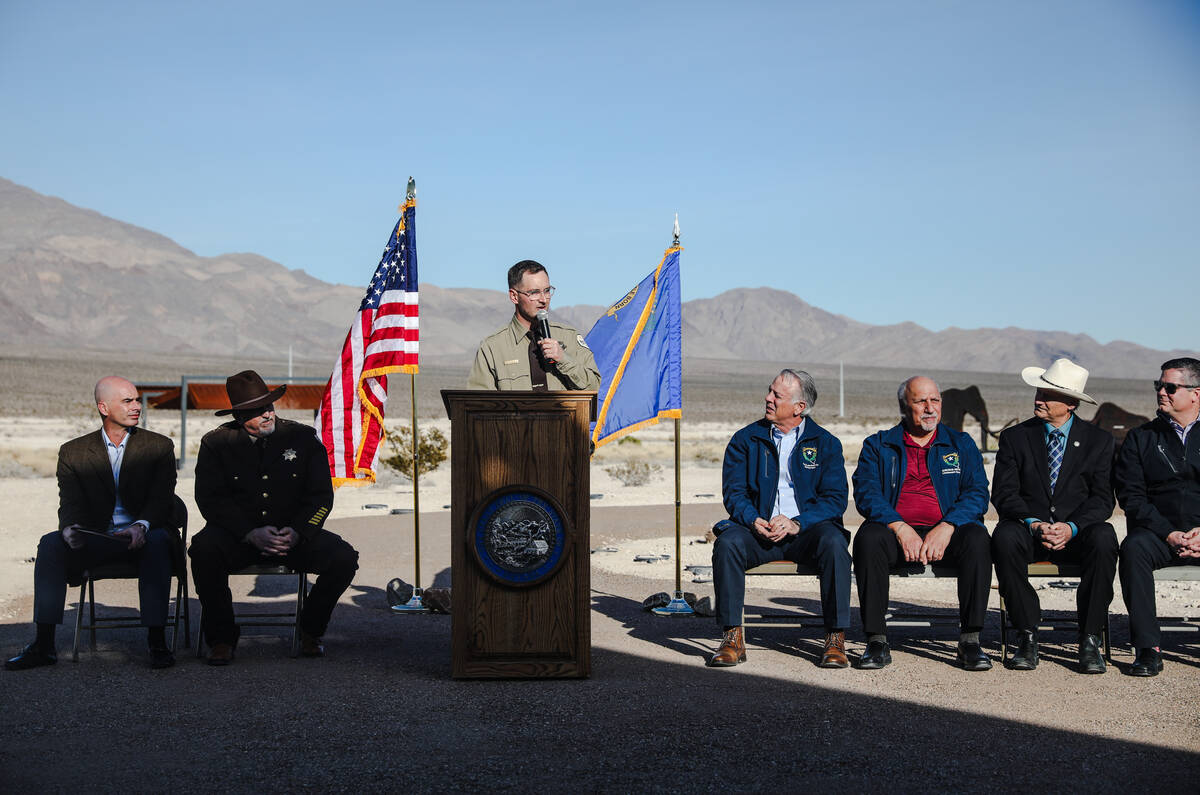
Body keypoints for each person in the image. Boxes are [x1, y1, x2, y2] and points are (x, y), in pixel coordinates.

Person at [6, 377, 178, 670]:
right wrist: (70, 527)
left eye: (137, 400)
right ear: (104, 407)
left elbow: (162, 500)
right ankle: (43, 645)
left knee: (160, 541)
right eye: (128, 401)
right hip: (97, 538)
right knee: (50, 543)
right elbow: (69, 501)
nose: (137, 406)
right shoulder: (73, 451)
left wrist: (141, 525)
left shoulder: (159, 446)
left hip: (143, 537)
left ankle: (157, 641)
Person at [189, 370, 359, 665]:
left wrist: (298, 532)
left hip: (292, 538)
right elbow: (210, 499)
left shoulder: (302, 438)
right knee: (203, 550)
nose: (266, 415)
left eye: (268, 406)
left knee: (343, 558)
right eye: (256, 411)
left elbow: (320, 496)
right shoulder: (217, 444)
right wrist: (248, 532)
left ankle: (310, 629)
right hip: (239, 538)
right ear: (240, 417)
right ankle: (221, 639)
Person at [708, 370, 851, 669]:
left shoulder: (826, 444)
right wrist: (752, 519)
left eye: (777, 395)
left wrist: (799, 522)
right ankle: (732, 636)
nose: (768, 398)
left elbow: (835, 499)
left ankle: (835, 639)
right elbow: (734, 493)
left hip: (806, 533)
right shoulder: (745, 440)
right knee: (728, 543)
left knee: (835, 542)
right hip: (759, 532)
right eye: (770, 391)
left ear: (799, 407)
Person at [852, 376, 993, 671]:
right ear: (905, 406)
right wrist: (900, 527)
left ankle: (970, 641)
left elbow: (978, 493)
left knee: (978, 539)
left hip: (947, 533)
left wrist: (948, 526)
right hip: (896, 534)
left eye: (935, 400)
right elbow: (867, 493)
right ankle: (876, 640)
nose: (930, 408)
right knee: (868, 538)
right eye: (920, 401)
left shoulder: (960, 444)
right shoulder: (879, 445)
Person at [990, 358, 1117, 673]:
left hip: (1076, 533)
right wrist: (1033, 523)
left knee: (1105, 538)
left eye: (1048, 395)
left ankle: (1089, 639)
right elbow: (1003, 493)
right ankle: (1026, 633)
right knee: (1003, 538)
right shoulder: (1015, 438)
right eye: (1039, 392)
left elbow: (1103, 499)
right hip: (1028, 529)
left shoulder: (1099, 442)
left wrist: (1072, 527)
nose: (1039, 399)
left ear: (1071, 404)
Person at [1116, 356, 1200, 677]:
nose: (1161, 392)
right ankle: (1148, 648)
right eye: (1159, 386)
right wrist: (1169, 534)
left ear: (1195, 394)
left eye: (1170, 387)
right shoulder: (1142, 438)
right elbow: (1131, 497)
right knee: (1133, 549)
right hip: (1160, 536)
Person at [467, 259, 601, 391]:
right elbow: (477, 404)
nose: (543, 300)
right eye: (534, 293)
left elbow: (595, 387)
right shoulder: (492, 347)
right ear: (514, 296)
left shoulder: (569, 337)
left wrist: (563, 359)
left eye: (547, 291)